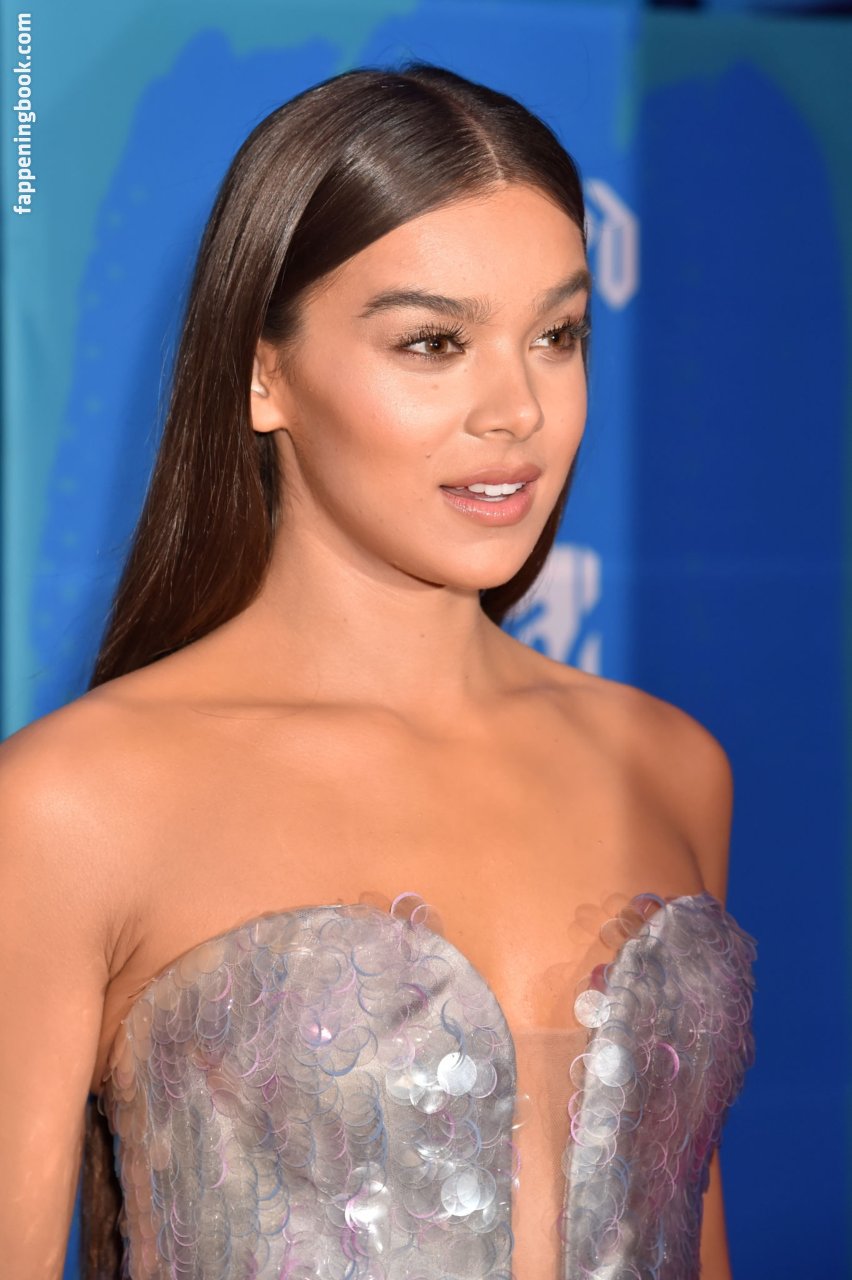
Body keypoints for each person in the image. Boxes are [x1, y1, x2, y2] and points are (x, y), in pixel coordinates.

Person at [0, 62, 755, 1280]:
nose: (516, 409)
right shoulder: (72, 804)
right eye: (433, 342)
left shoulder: (667, 765)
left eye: (557, 335)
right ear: (264, 373)